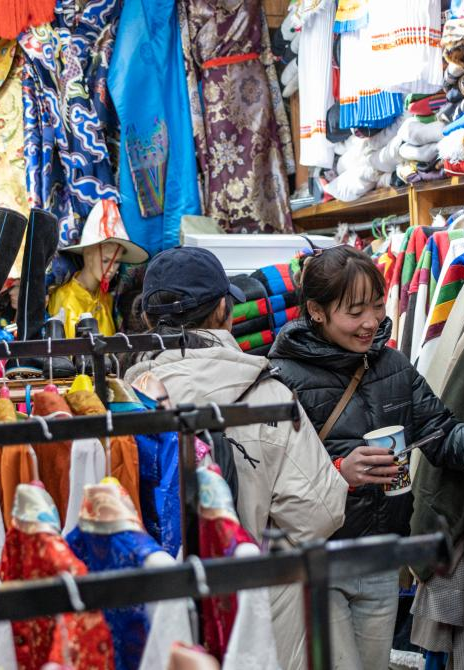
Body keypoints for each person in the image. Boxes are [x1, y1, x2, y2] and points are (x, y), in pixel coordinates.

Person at [267, 245, 464, 670]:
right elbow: (271, 479)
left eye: (377, 305)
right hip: (318, 563)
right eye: (355, 311)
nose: (371, 322)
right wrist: (339, 473)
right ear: (316, 311)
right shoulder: (281, 378)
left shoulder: (392, 366)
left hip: (382, 558)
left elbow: (442, 433)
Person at [121, 246, 348, 670]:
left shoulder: (120, 403)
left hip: (158, 620)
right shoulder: (267, 395)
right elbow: (320, 513)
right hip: (256, 615)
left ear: (148, 319)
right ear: (224, 310)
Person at [49, 198, 150, 338]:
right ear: (88, 255)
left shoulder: (106, 298)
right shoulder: (65, 298)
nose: (111, 269)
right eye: (105, 260)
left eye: (117, 262)